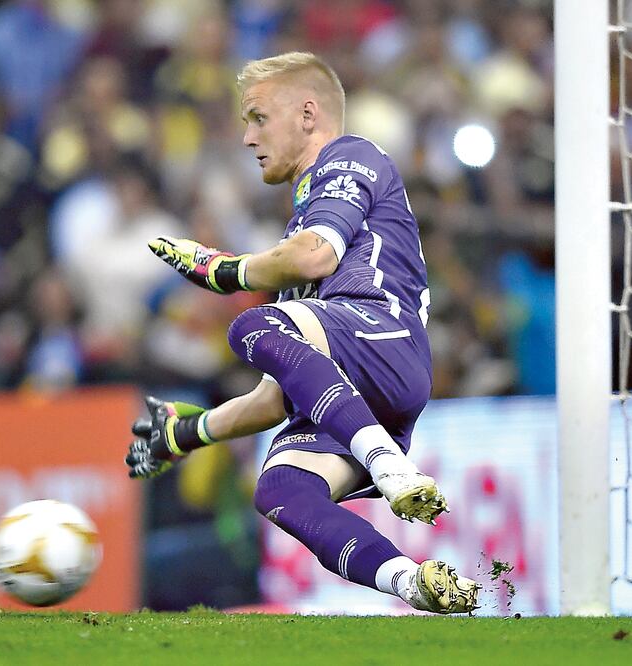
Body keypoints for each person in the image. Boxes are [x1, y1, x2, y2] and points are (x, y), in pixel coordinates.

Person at [126, 51, 480, 614]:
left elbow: (314, 257)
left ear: (309, 114)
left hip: (379, 337)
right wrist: (188, 432)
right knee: (281, 489)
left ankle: (388, 467)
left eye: (258, 117)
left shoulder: (349, 157)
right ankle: (413, 584)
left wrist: (226, 270)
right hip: (365, 387)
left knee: (250, 324)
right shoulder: (302, 218)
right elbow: (280, 392)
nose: (247, 137)